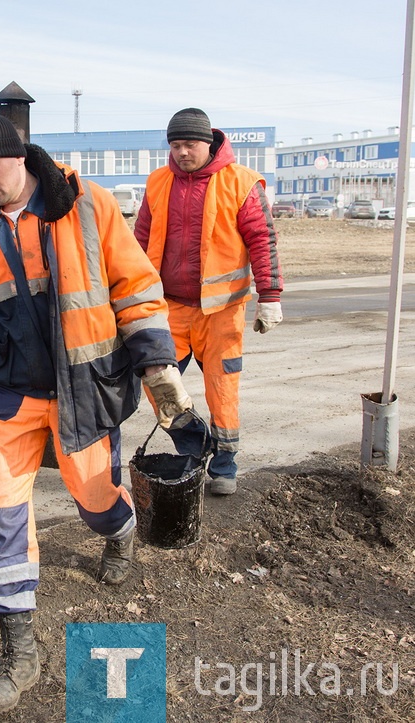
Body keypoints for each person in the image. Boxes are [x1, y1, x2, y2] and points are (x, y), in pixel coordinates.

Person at [0, 113, 192, 716]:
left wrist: (157, 363)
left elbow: (135, 286)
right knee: (1, 513)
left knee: (94, 496)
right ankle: (20, 651)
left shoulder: (86, 204)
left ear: (20, 156)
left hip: (82, 389)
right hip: (11, 396)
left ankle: (120, 532)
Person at [134, 107, 284, 496]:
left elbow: (262, 239)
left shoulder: (242, 182)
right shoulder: (157, 182)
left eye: (190, 144)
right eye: (175, 145)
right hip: (169, 308)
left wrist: (269, 295)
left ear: (209, 143)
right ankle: (196, 447)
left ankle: (224, 466)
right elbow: (138, 242)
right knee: (158, 384)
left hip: (222, 311)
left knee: (222, 388)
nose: (182, 152)